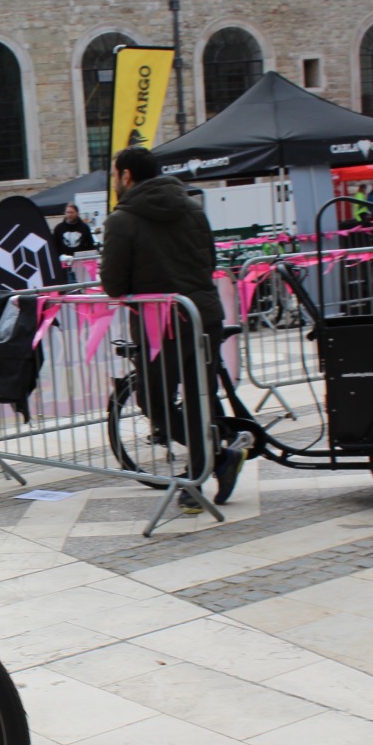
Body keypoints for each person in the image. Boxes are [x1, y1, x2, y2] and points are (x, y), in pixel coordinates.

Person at [100, 145, 249, 510]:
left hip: (160, 324)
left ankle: (214, 459)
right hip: (202, 316)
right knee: (199, 398)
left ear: (127, 177)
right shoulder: (193, 209)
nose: (115, 182)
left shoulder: (121, 221)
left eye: (115, 175)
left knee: (153, 399)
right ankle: (200, 478)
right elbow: (209, 261)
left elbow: (114, 285)